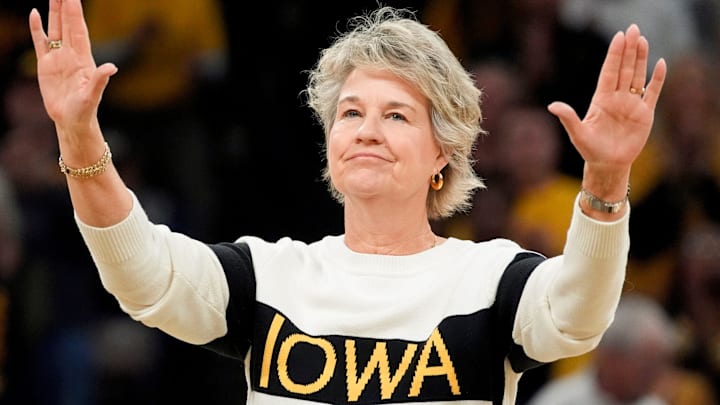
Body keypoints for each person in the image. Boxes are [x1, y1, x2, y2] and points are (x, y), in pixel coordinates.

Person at [27, 0, 666, 404]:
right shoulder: (267, 276)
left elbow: (580, 312)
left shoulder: (492, 279)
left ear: (444, 149)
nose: (366, 129)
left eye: (396, 115)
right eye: (351, 112)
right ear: (330, 140)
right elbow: (142, 276)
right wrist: (79, 134)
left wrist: (606, 177)